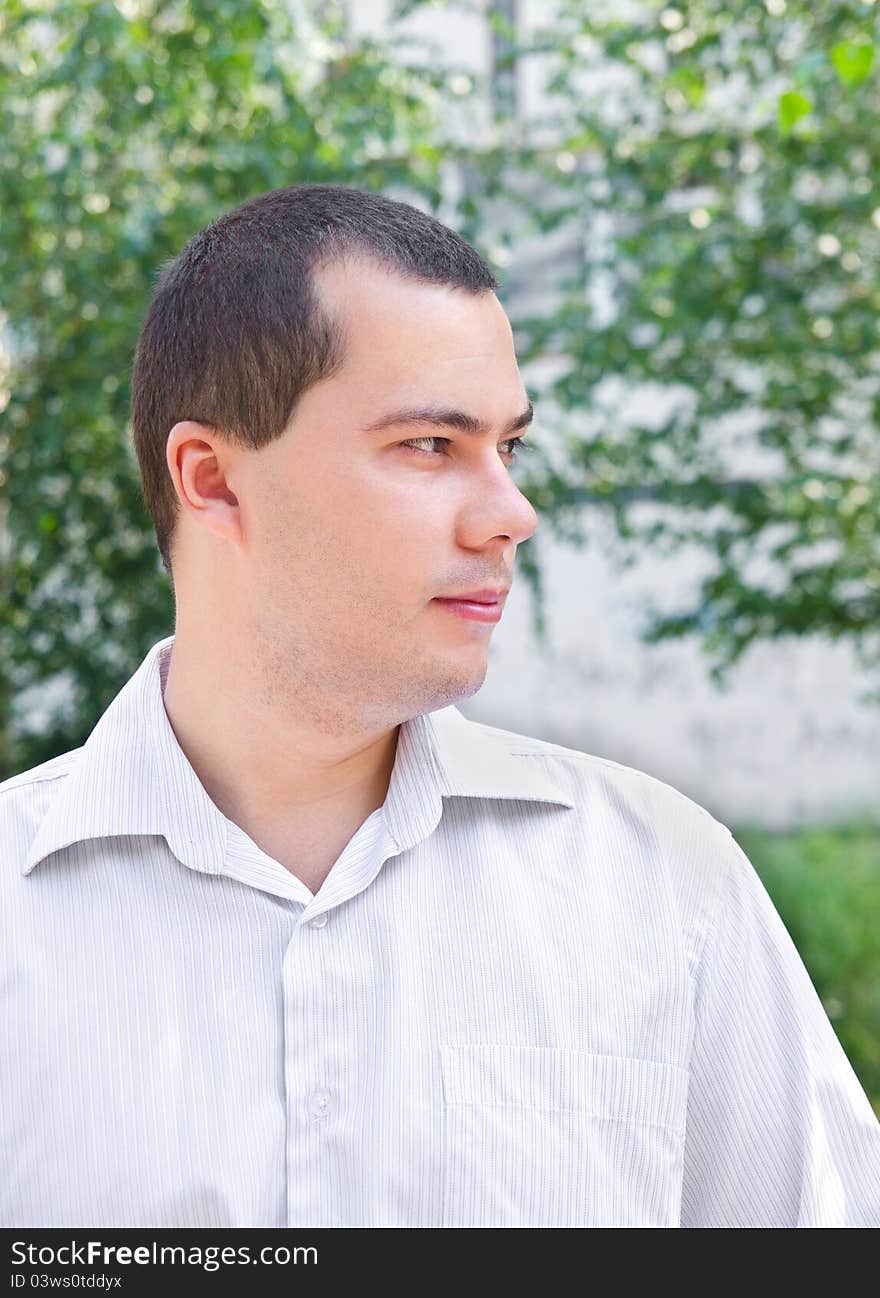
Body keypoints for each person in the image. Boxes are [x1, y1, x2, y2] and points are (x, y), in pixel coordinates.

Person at [2, 183, 879, 1229]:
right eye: (431, 445)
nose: (512, 513)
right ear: (214, 479)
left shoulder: (666, 890)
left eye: (508, 447)